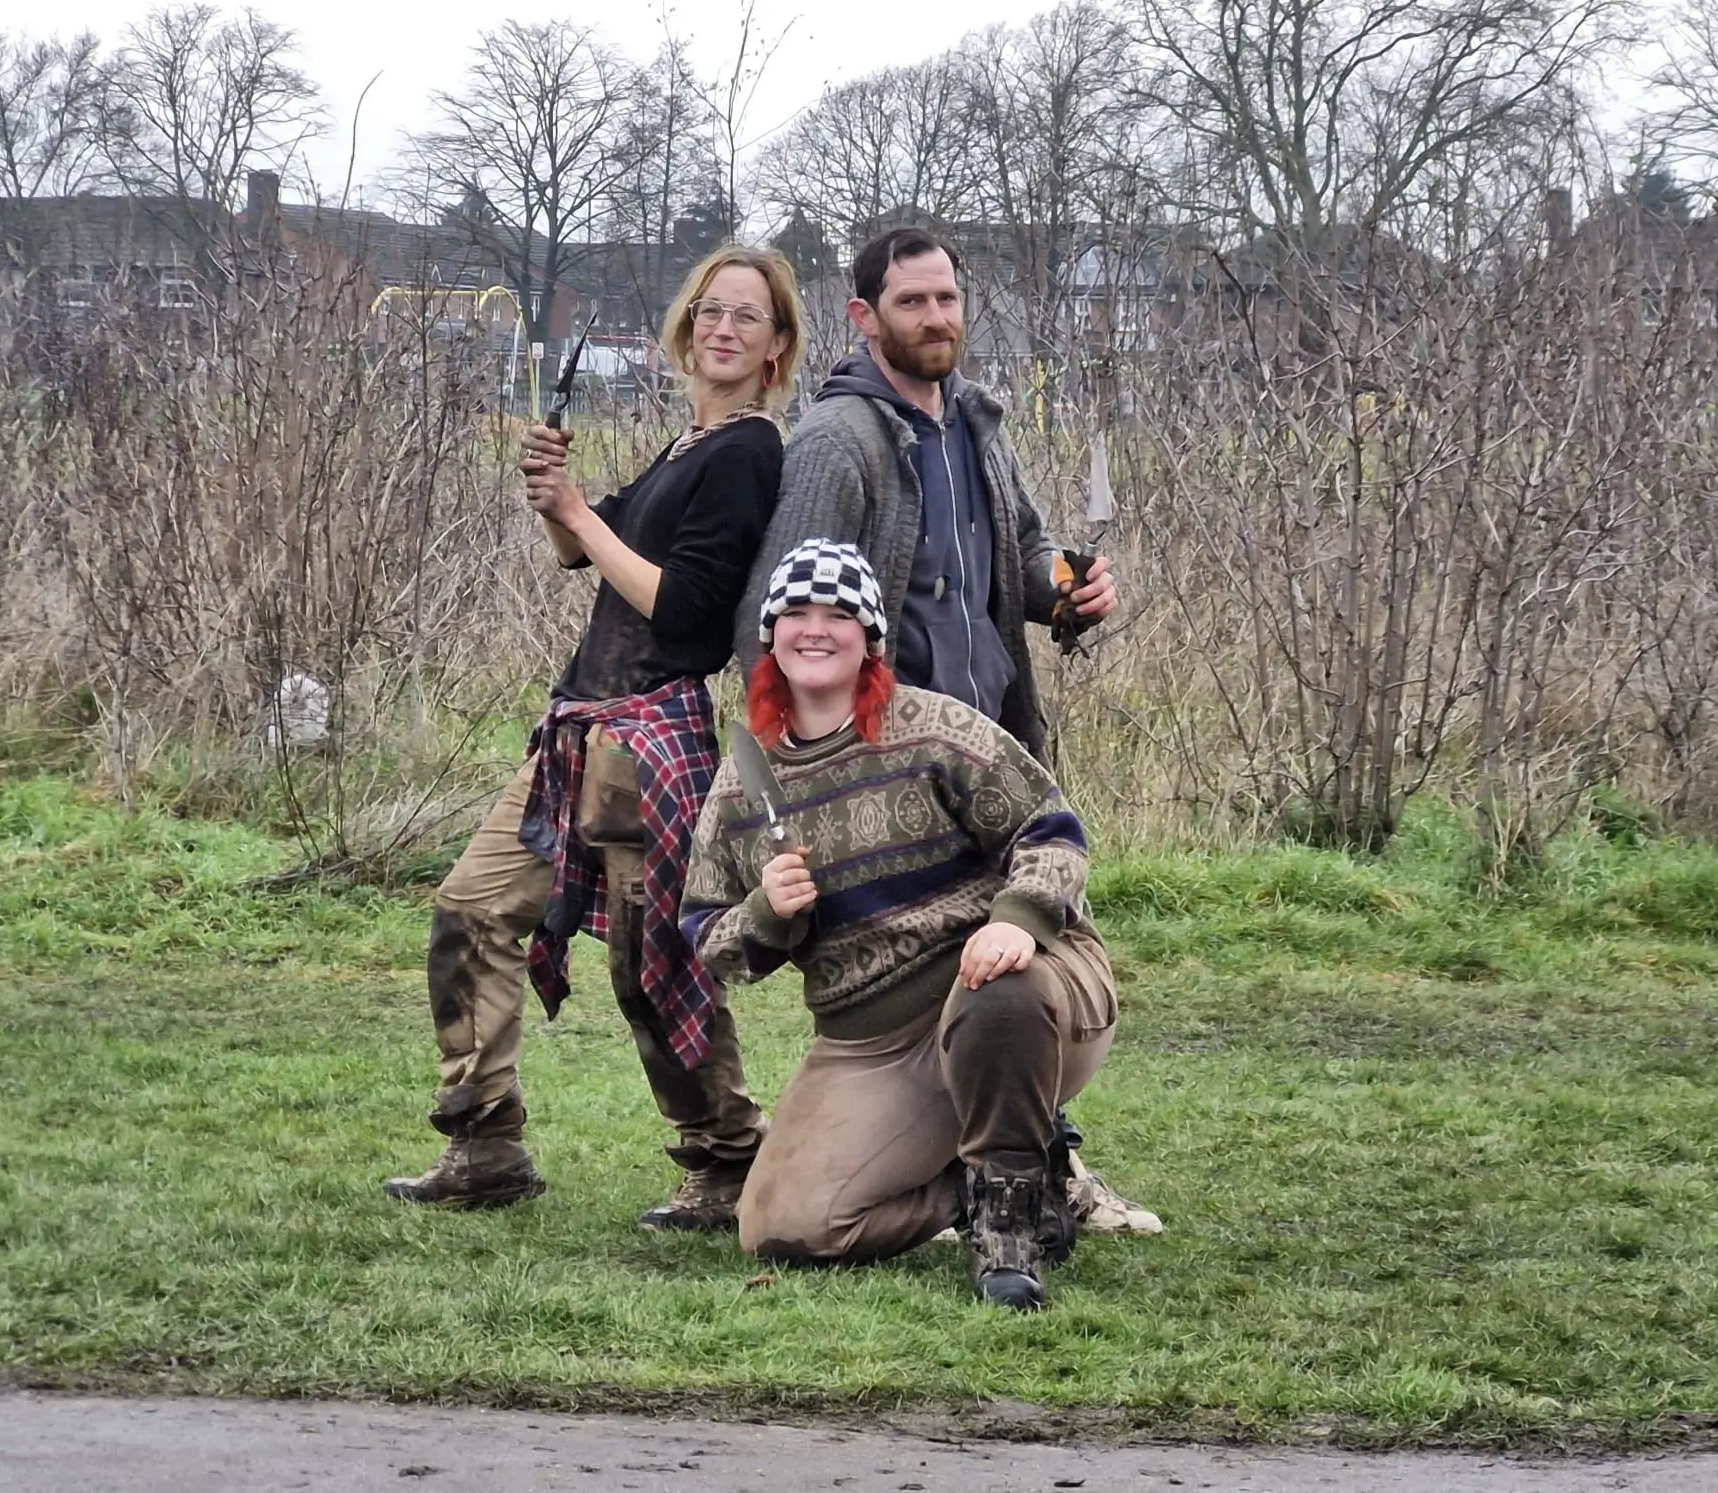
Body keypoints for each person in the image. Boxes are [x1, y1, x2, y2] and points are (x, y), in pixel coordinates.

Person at [732, 225, 1157, 1236]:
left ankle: (1036, 1172)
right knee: (935, 982)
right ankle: (987, 1182)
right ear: (863, 317)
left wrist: (1066, 589)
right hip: (895, 778)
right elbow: (781, 612)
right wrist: (804, 768)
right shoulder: (840, 442)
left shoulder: (975, 422)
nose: (935, 319)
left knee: (1015, 968)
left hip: (993, 762)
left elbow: (1016, 553)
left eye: (946, 300)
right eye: (913, 303)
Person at [383, 245, 805, 1225]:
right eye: (709, 309)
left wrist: (576, 510)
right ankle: (484, 1142)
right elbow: (583, 549)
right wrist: (555, 496)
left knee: (649, 958)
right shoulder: (685, 446)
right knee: (473, 910)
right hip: (576, 731)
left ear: (776, 346)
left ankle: (725, 1158)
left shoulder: (749, 452)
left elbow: (682, 606)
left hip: (647, 736)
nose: (722, 327)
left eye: (746, 316)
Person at [684, 540, 1118, 1309]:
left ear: (872, 639)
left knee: (999, 993)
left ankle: (1007, 1233)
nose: (815, 630)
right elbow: (709, 942)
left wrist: (1019, 919)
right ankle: (988, 1180)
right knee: (785, 1228)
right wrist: (768, 913)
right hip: (873, 1042)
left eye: (839, 615)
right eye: (796, 614)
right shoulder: (743, 787)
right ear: (770, 637)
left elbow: (1053, 833)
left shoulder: (937, 729)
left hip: (1015, 991)